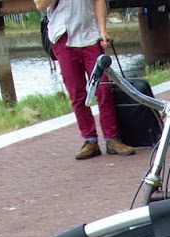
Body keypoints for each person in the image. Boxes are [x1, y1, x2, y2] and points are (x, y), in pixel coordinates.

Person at [34, 0, 134, 160]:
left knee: (103, 87)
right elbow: (40, 5)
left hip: (91, 35)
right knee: (77, 92)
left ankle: (112, 138)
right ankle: (90, 140)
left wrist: (103, 30)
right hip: (63, 37)